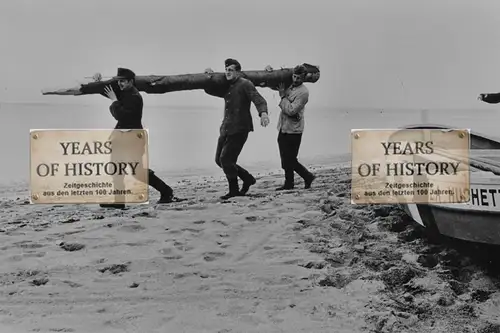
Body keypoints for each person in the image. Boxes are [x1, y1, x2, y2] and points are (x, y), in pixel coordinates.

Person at [101, 67, 181, 209]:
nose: (120, 84)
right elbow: (108, 88)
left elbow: (122, 116)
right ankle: (119, 201)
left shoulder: (135, 97)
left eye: (123, 81)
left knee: (138, 172)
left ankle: (166, 191)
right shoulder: (124, 92)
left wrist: (113, 101)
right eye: (119, 81)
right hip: (121, 138)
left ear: (131, 82)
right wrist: (98, 79)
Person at [204, 58, 270, 199]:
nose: (227, 72)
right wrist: (207, 77)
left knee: (226, 160)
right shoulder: (227, 85)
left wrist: (263, 113)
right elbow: (211, 90)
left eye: (231, 70)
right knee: (219, 160)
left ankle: (233, 191)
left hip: (240, 128)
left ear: (238, 72)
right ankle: (247, 178)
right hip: (226, 128)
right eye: (226, 70)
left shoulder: (245, 84)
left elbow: (258, 99)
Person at [266, 64, 316, 190]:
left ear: (303, 78)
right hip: (283, 127)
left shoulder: (304, 92)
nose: (295, 80)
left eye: (298, 78)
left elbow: (291, 110)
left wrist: (283, 96)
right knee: (285, 159)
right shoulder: (290, 85)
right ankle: (289, 183)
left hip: (294, 130)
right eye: (294, 76)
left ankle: (307, 176)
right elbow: (277, 86)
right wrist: (269, 72)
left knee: (291, 159)